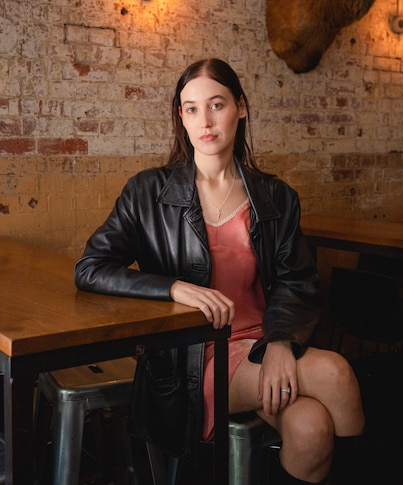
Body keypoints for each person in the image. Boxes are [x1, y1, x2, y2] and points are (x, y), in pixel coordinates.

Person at [74, 58, 364, 484]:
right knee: (335, 373)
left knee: (311, 429)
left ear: (241, 108)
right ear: (181, 116)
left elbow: (295, 283)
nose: (204, 120)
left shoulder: (276, 197)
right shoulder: (148, 192)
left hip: (264, 344)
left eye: (216, 105)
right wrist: (174, 288)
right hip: (193, 358)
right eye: (191, 108)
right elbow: (90, 268)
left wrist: (282, 343)